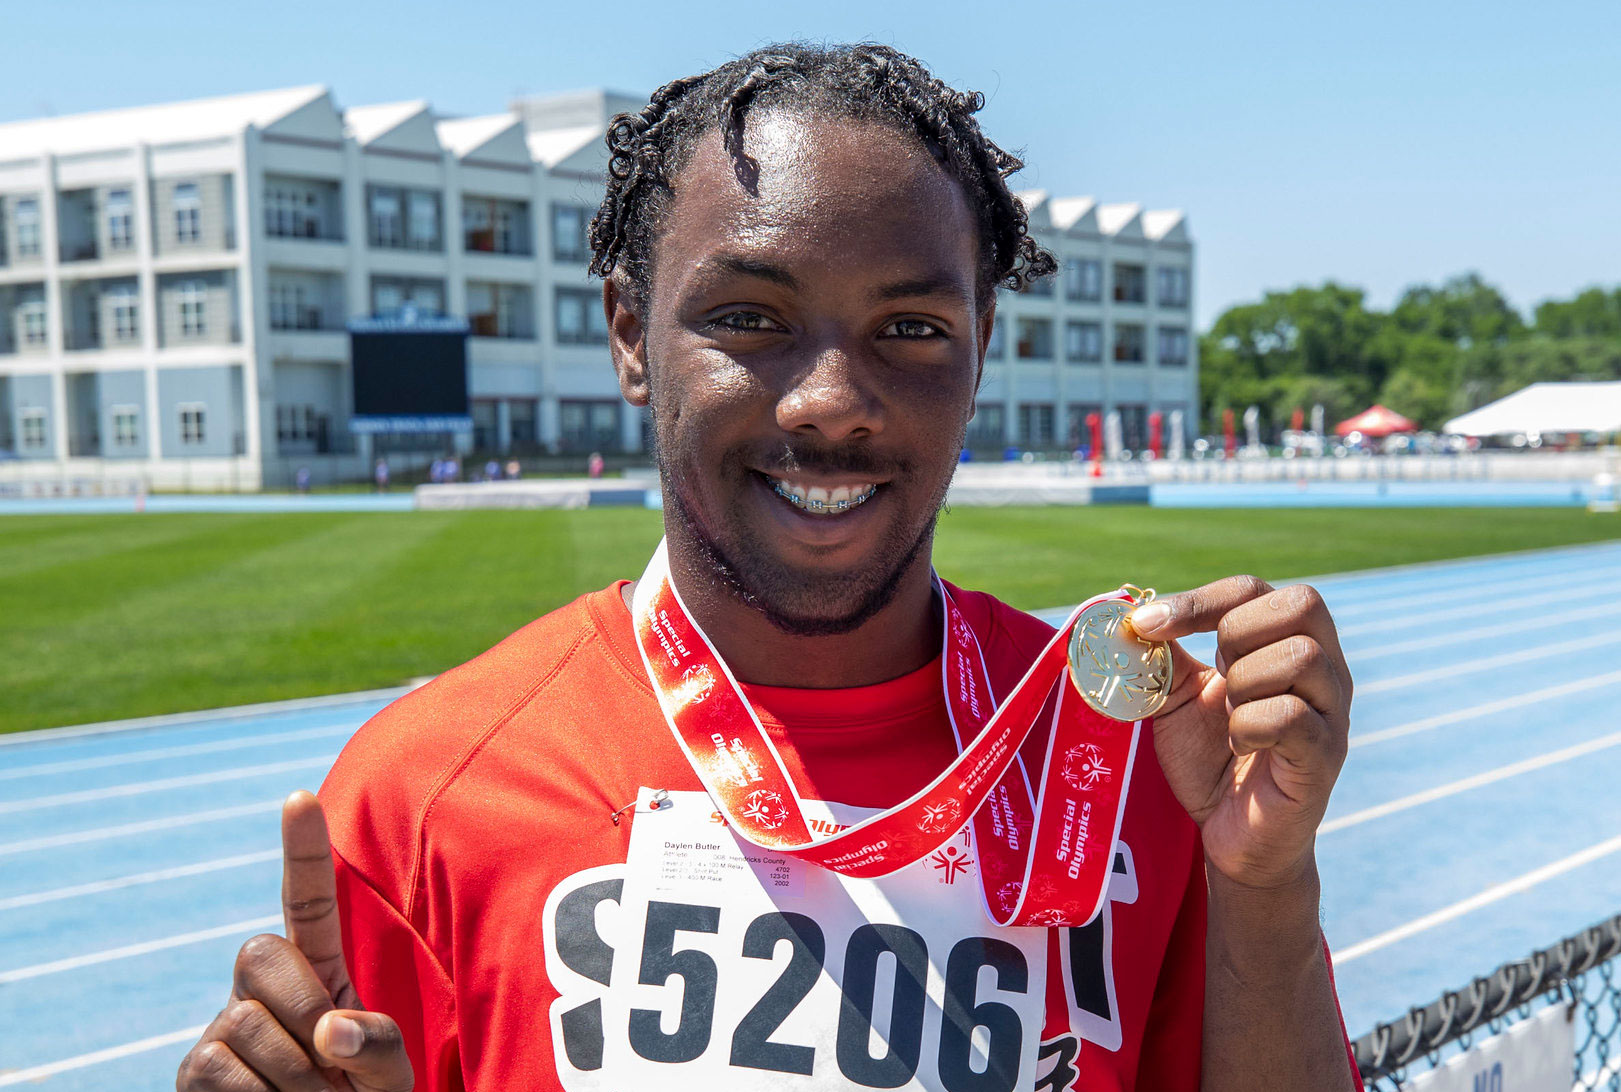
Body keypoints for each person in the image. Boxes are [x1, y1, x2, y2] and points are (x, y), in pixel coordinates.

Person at [178, 44, 1359, 1092]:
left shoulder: (1138, 759)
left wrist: (1263, 880)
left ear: (980, 350)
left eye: (911, 328)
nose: (831, 401)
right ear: (631, 337)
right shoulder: (425, 796)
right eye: (748, 318)